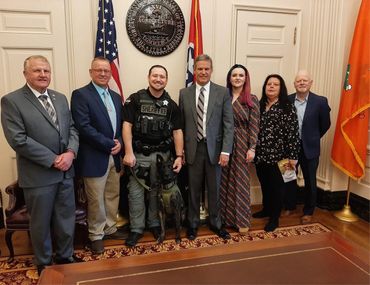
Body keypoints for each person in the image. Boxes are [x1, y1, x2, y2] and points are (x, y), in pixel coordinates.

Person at [1, 55, 79, 274]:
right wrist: (54, 159)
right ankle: (44, 262)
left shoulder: (60, 98)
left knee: (65, 220)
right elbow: (18, 139)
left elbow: (72, 128)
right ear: (25, 74)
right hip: (39, 175)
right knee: (40, 223)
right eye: (37, 71)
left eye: (46, 70)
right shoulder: (12, 100)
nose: (43, 75)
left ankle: (65, 256)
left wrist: (71, 153)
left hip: (66, 172)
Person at [122, 65, 183, 247]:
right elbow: (127, 126)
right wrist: (128, 152)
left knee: (158, 193)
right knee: (135, 192)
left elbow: (178, 131)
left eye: (162, 76)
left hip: (162, 156)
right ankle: (136, 229)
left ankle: (155, 224)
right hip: (138, 154)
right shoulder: (135, 99)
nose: (158, 79)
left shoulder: (171, 105)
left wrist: (179, 156)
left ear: (166, 79)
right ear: (148, 77)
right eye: (155, 76)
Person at [71, 57, 124, 254]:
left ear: (111, 73)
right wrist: (109, 143)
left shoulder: (117, 97)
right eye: (99, 70)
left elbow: (119, 125)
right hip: (94, 156)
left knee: (112, 194)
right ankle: (95, 235)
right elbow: (83, 127)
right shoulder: (81, 95)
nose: (103, 74)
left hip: (114, 156)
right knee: (95, 199)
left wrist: (119, 141)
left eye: (106, 71)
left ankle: (110, 228)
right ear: (91, 72)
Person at [179, 54, 234, 241]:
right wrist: (182, 152)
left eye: (206, 69)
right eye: (199, 69)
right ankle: (193, 223)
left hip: (216, 150)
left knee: (214, 189)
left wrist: (226, 150)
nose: (203, 72)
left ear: (211, 70)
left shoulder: (222, 92)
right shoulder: (184, 93)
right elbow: (182, 124)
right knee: (193, 189)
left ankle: (216, 223)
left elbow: (228, 124)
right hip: (193, 149)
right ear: (194, 70)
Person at [253, 74, 300, 232]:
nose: (271, 87)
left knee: (278, 188)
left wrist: (293, 157)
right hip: (261, 156)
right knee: (265, 184)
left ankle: (274, 218)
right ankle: (266, 210)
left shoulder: (287, 106)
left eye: (275, 84)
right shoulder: (259, 105)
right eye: (269, 84)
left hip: (281, 157)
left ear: (281, 88)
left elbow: (293, 133)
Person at [285, 70, 331, 224]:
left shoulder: (320, 102)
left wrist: (312, 137)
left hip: (310, 148)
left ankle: (308, 211)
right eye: (299, 81)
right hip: (289, 148)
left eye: (305, 80)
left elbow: (325, 124)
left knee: (310, 180)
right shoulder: (287, 100)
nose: (302, 83)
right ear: (294, 84)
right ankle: (290, 206)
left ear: (311, 83)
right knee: (288, 178)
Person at [220, 64, 260, 234]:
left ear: (245, 78)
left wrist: (252, 148)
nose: (237, 78)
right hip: (224, 143)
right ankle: (225, 218)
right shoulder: (223, 97)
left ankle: (241, 220)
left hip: (243, 142)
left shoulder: (252, 99)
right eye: (234, 75)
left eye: (241, 75)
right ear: (229, 78)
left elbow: (255, 125)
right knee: (224, 180)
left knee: (241, 182)